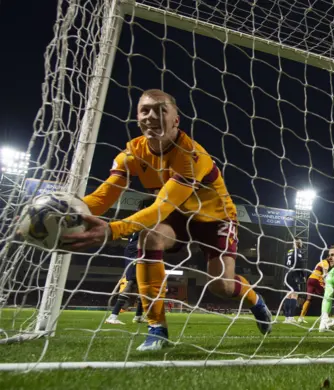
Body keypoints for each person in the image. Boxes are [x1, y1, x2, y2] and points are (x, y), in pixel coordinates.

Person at [65, 89, 272, 351]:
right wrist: (71, 211)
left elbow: (160, 208)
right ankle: (157, 329)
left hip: (214, 218)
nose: (151, 116)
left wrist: (113, 229)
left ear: (176, 120)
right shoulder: (132, 153)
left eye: (161, 110)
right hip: (177, 216)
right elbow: (103, 196)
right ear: (138, 117)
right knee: (148, 238)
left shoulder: (190, 156)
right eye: (145, 110)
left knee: (221, 286)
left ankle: (256, 302)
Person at [105, 231, 146, 325]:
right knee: (131, 284)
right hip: (136, 253)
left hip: (135, 251)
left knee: (141, 285)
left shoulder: (136, 228)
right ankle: (113, 316)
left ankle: (138, 316)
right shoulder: (144, 226)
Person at [298, 255, 330, 323]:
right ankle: (325, 316)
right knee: (327, 295)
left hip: (310, 279)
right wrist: (325, 284)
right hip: (316, 280)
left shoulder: (320, 262)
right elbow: (325, 275)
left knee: (309, 299)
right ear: (328, 257)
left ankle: (301, 317)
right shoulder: (326, 263)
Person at [283, 239, 303, 323]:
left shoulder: (289, 251)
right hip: (295, 274)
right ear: (299, 244)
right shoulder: (298, 251)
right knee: (294, 296)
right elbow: (299, 263)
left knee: (288, 295)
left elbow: (285, 262)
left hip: (287, 273)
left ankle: (286, 317)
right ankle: (291, 317)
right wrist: (301, 275)